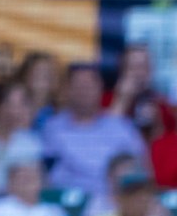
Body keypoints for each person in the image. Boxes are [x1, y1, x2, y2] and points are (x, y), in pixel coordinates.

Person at [40, 64, 149, 201]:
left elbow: (142, 169)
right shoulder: (53, 128)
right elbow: (43, 174)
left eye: (89, 86)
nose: (84, 92)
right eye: (78, 86)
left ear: (100, 88)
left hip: (115, 203)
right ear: (67, 90)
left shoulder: (122, 127)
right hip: (68, 203)